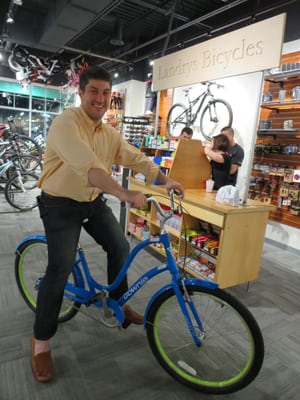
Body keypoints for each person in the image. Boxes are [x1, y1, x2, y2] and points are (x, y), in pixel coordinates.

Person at [31, 65, 184, 383]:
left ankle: (118, 302)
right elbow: (89, 169)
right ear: (81, 93)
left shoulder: (108, 133)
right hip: (59, 204)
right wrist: (124, 193)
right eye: (93, 92)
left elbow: (134, 157)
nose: (100, 99)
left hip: (91, 201)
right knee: (59, 268)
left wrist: (165, 179)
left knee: (120, 245)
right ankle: (41, 342)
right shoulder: (65, 124)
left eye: (105, 93)